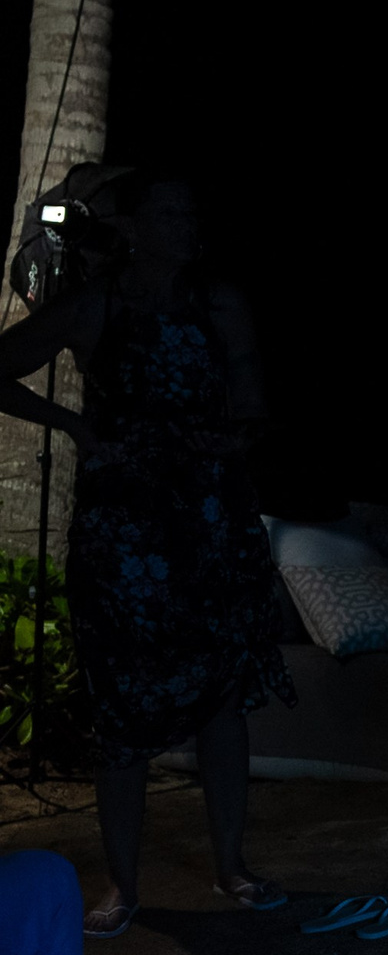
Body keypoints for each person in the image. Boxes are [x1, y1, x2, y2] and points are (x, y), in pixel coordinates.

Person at [0, 171, 294, 940]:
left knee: (223, 698)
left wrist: (229, 441)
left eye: (189, 213)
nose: (185, 226)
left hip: (208, 520)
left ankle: (232, 865)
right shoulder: (95, 303)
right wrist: (74, 425)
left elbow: (253, 405)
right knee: (123, 707)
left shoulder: (218, 302)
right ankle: (122, 886)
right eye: (169, 214)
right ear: (130, 227)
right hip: (125, 531)